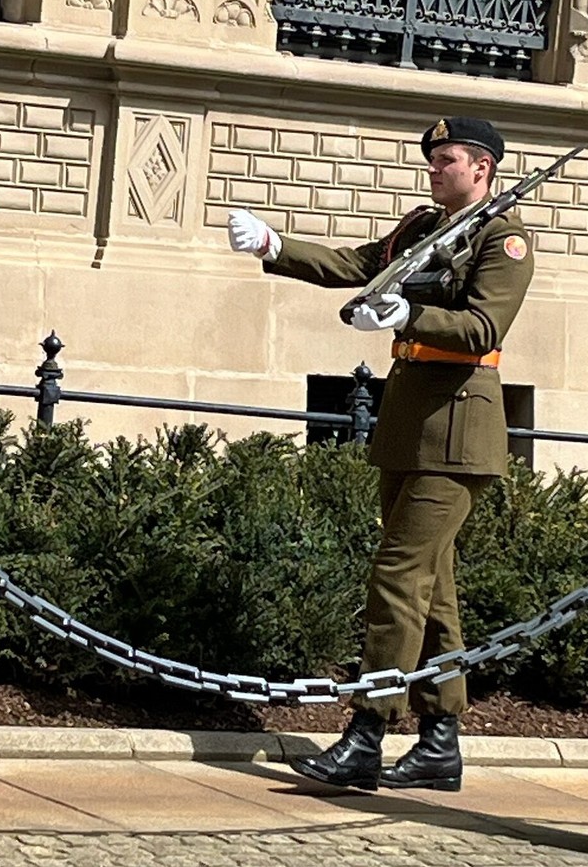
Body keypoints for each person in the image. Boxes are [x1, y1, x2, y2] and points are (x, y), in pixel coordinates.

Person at [226, 116, 535, 793]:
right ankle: (440, 740)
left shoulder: (502, 240)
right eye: (434, 160)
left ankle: (368, 732)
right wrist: (275, 245)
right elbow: (359, 267)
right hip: (408, 425)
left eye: (448, 160)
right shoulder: (424, 227)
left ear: (482, 168)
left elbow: (483, 326)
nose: (435, 169)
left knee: (398, 576)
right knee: (432, 588)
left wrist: (406, 316)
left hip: (457, 432)